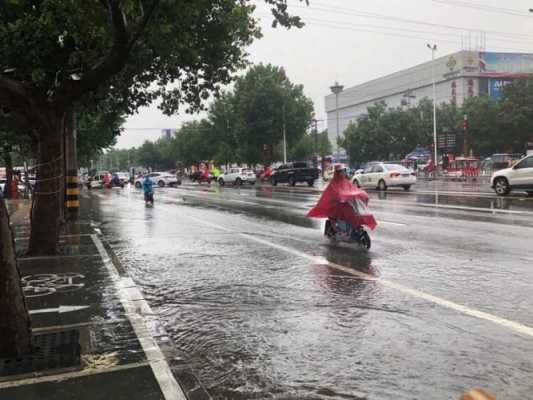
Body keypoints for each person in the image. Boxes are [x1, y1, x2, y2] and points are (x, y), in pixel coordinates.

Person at [307, 164, 377, 232]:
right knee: (339, 218)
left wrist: (362, 194)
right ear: (337, 173)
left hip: (345, 205)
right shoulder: (333, 184)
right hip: (336, 207)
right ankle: (339, 230)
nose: (343, 173)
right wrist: (340, 197)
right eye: (341, 171)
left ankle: (348, 230)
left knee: (355, 214)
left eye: (344, 171)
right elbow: (334, 194)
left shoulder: (346, 182)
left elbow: (353, 190)